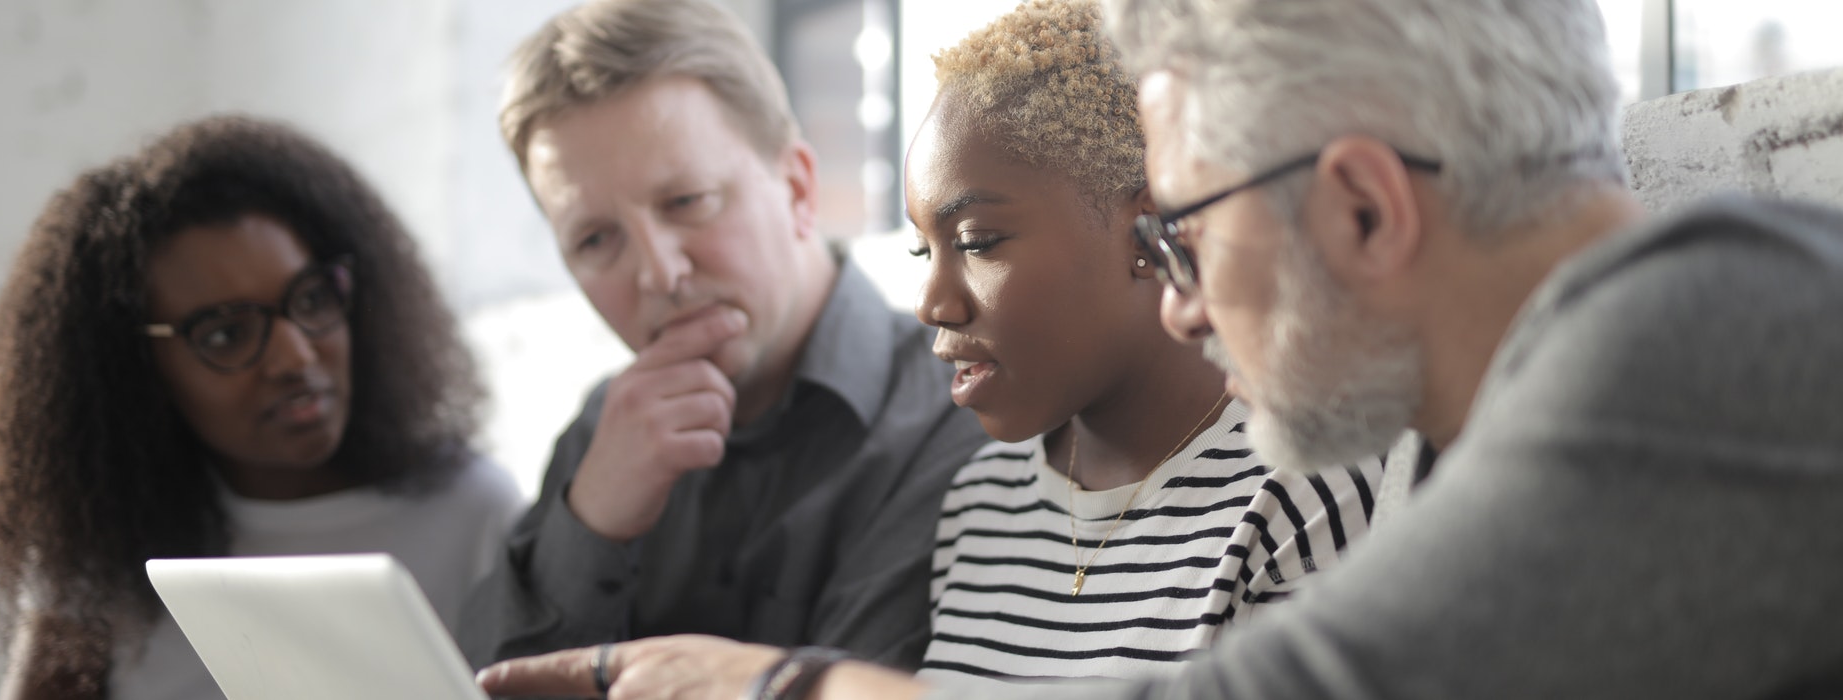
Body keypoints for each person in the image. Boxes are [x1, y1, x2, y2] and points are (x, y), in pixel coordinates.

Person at [471, 0, 1843, 698]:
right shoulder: (1471, 444)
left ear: (1362, 203)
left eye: (1183, 230)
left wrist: (778, 686)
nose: (1181, 305)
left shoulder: (1697, 326)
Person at [453, 0, 988, 674]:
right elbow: (476, 684)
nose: (659, 273)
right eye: (595, 239)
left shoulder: (960, 411)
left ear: (797, 187)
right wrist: (589, 527)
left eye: (686, 202)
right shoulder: (603, 430)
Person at [0, 115, 525, 700]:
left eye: (312, 299)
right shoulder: (104, 539)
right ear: (135, 373)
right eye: (225, 334)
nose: (295, 356)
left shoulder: (472, 513)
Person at [909, 0, 1379, 683]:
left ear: (1150, 236)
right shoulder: (979, 503)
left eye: (977, 242)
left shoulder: (1304, 492)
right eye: (921, 250)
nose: (931, 303)